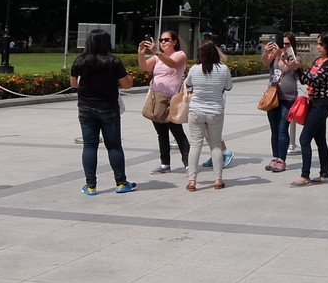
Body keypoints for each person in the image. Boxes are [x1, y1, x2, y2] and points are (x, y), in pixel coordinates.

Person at [70, 29, 136, 195]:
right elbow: (127, 84)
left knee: (90, 146)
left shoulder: (80, 61)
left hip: (85, 107)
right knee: (113, 146)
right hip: (108, 108)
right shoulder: (113, 61)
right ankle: (121, 182)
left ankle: (91, 185)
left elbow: (73, 84)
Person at [290, 31, 328, 186]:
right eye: (318, 43)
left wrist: (298, 69)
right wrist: (295, 68)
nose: (318, 47)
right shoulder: (318, 61)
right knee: (320, 139)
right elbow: (307, 79)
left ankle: (305, 175)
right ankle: (324, 175)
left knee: (304, 139)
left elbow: (313, 80)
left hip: (322, 104)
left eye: (321, 44)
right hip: (314, 102)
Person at [138, 29, 190, 174]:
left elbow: (173, 64)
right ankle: (165, 163)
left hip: (171, 100)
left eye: (166, 40)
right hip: (156, 98)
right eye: (161, 40)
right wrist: (141, 54)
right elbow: (145, 67)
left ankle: (187, 162)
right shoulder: (157, 57)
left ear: (175, 42)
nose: (163, 42)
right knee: (161, 132)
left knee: (177, 131)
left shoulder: (180, 55)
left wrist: (156, 51)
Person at [183, 40, 233, 191]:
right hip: (215, 111)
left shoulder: (194, 69)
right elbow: (228, 87)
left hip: (196, 111)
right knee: (215, 146)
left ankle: (192, 181)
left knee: (195, 144)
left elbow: (188, 84)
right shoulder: (223, 69)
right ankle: (218, 180)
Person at [261, 32, 299, 173]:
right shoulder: (274, 57)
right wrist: (267, 52)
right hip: (273, 97)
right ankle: (275, 156)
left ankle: (281, 159)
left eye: (288, 44)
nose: (285, 46)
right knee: (274, 129)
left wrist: (284, 55)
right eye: (283, 44)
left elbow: (296, 66)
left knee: (283, 128)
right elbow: (265, 61)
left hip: (288, 98)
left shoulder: (295, 57)